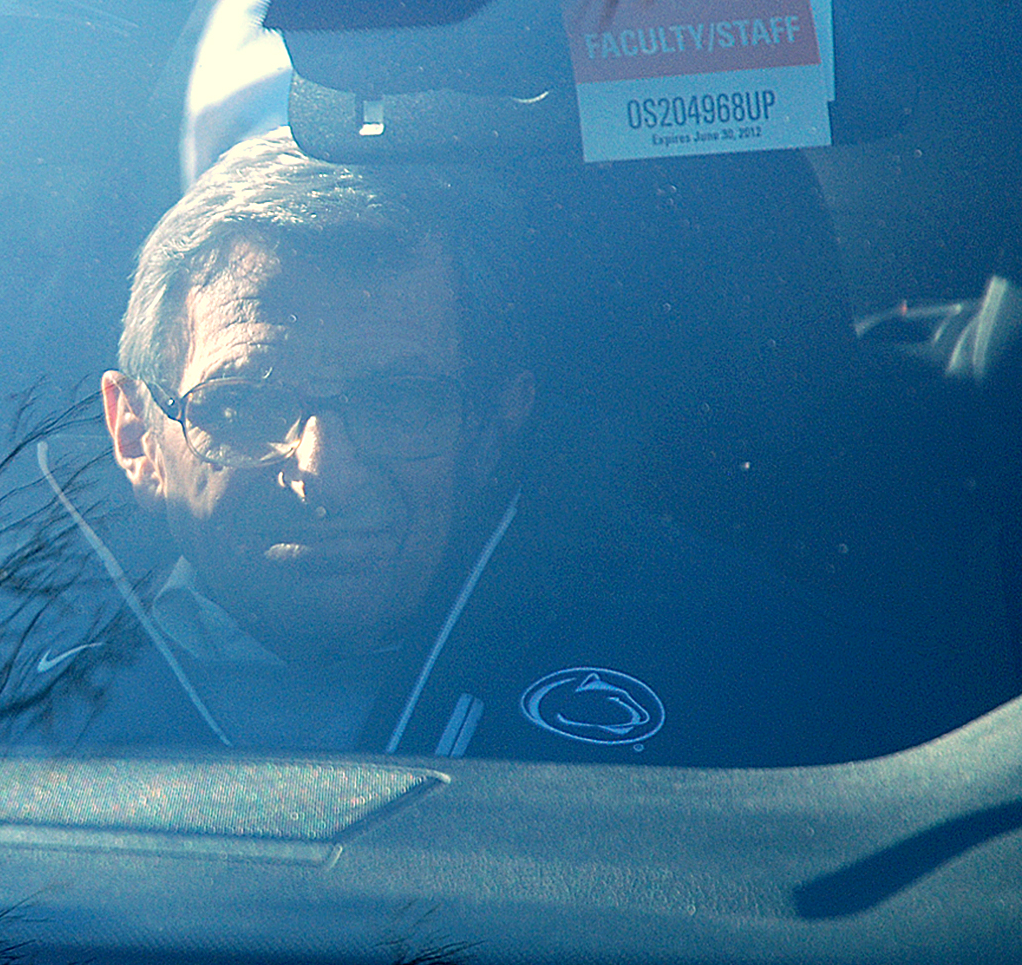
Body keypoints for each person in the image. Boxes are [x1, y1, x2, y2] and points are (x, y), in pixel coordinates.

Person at [61, 129, 1009, 765]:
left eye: (399, 401)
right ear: (135, 435)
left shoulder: (783, 690)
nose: (325, 471)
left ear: (493, 425)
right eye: (245, 404)